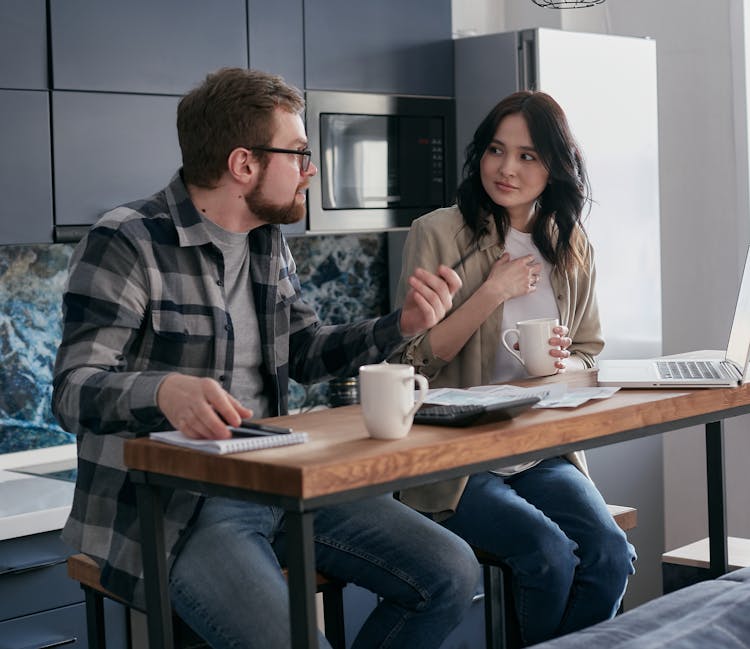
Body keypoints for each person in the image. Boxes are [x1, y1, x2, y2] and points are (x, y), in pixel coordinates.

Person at [52, 67, 481, 649]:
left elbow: (303, 352)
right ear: (243, 165)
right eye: (300, 153)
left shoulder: (265, 241)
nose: (311, 170)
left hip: (280, 479)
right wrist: (164, 392)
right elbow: (74, 389)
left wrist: (399, 326)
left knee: (451, 573)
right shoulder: (127, 240)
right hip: (180, 509)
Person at [392, 90, 636, 646]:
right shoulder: (438, 232)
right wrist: (491, 290)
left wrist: (560, 361)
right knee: (546, 555)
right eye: (497, 150)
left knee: (609, 555)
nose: (506, 168)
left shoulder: (570, 245)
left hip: (538, 450)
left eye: (528, 155)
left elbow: (589, 349)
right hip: (459, 460)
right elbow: (413, 359)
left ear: (554, 168)